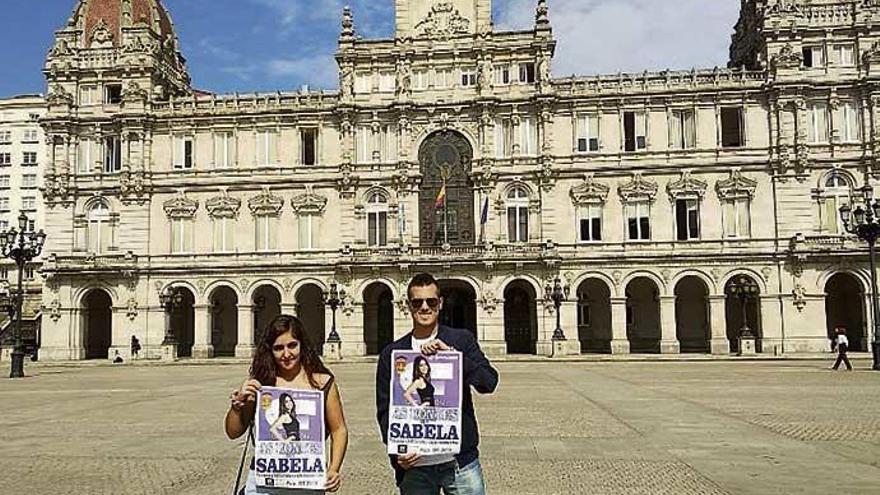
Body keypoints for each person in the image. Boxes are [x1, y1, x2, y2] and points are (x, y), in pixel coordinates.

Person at [376, 273, 499, 495]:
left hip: (459, 462)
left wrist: (454, 356)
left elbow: (489, 382)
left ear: (440, 304)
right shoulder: (392, 353)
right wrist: (396, 453)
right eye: (417, 302)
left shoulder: (461, 340)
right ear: (408, 305)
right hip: (415, 466)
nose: (425, 307)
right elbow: (385, 410)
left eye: (431, 301)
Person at [226, 315, 349, 493]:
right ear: (270, 351)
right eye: (278, 348)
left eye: (292, 345)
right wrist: (238, 407)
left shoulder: (322, 382)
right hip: (264, 482)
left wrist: (334, 469)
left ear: (302, 345)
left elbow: (339, 429)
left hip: (306, 479)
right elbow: (233, 432)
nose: (286, 354)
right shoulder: (262, 384)